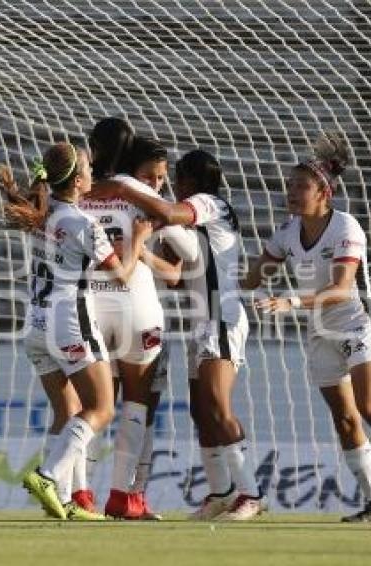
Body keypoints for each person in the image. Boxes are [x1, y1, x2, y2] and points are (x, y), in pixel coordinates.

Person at [243, 132, 371, 522]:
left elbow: (343, 288)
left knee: (370, 406)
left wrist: (291, 301)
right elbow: (251, 276)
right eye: (291, 184)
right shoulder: (286, 232)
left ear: (324, 193)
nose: (292, 192)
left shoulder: (345, 226)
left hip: (358, 320)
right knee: (344, 419)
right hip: (320, 329)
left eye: (302, 186)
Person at [94, 149, 264, 521]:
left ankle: (250, 495)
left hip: (222, 318)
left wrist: (124, 187)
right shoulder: (197, 221)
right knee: (201, 412)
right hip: (202, 322)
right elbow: (180, 274)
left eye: (173, 179)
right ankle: (221, 493)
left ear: (189, 181)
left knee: (218, 407)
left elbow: (168, 213)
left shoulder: (208, 203)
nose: (168, 186)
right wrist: (142, 252)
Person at [0, 141, 151, 521]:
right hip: (70, 323)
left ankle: (62, 500)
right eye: (87, 168)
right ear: (80, 180)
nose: (92, 173)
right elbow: (121, 275)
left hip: (35, 324)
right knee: (101, 408)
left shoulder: (40, 213)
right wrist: (139, 240)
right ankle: (47, 476)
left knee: (66, 413)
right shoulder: (84, 223)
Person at [84, 132, 197, 519]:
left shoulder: (78, 191)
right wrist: (147, 247)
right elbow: (189, 253)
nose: (157, 183)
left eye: (160, 177)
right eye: (152, 175)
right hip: (137, 306)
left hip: (92, 305)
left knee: (95, 406)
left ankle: (80, 497)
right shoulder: (139, 195)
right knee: (137, 403)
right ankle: (121, 496)